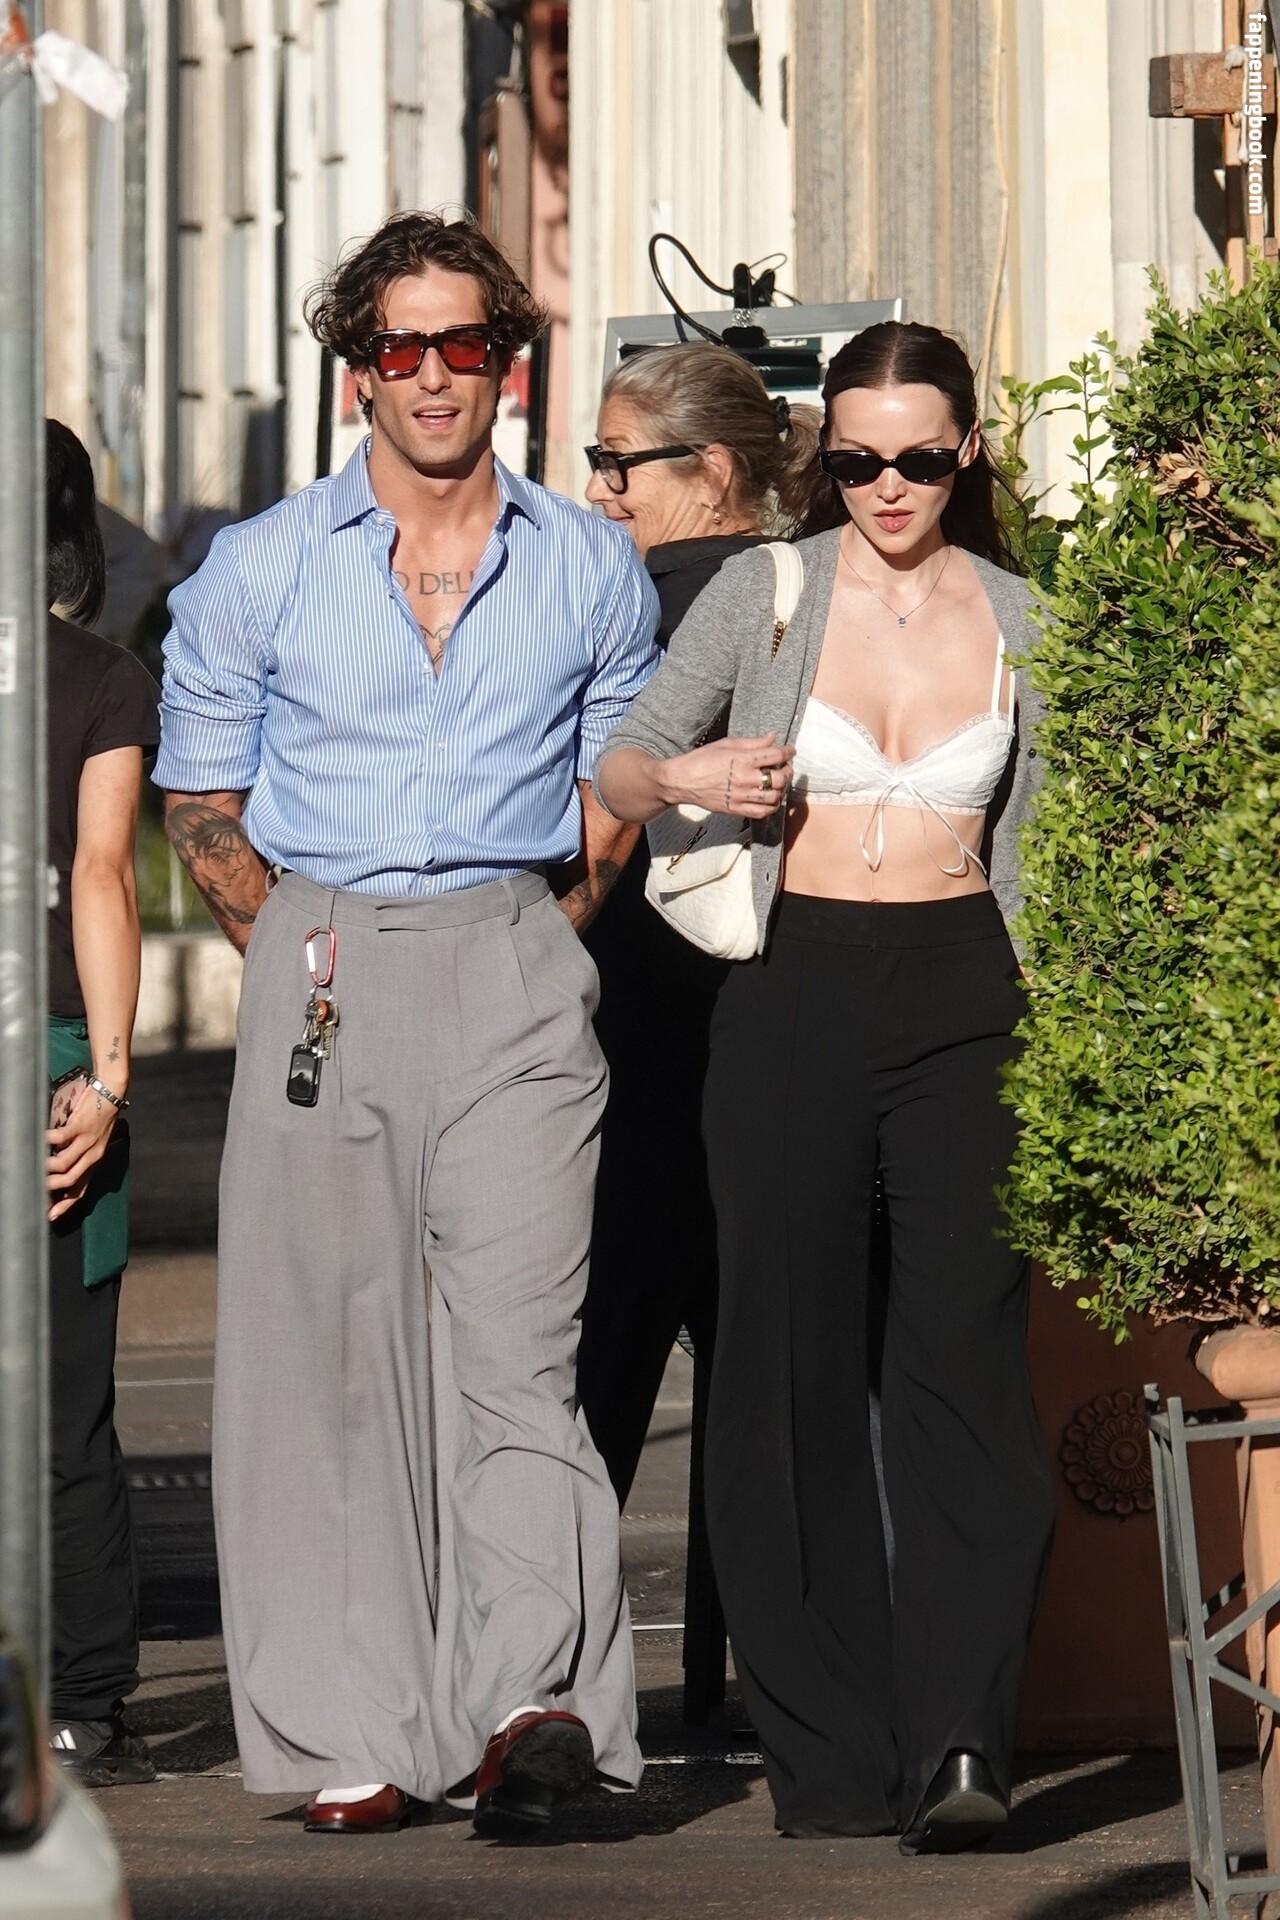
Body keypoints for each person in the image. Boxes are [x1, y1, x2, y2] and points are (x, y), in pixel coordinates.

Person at [154, 211, 659, 1839]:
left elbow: (609, 793)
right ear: (356, 372)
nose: (435, 376)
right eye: (402, 347)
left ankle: (531, 1709)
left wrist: (538, 946)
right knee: (327, 1358)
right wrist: (306, 957)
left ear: (508, 366)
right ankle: (350, 1726)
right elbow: (202, 804)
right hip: (324, 955)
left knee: (522, 1353)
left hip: (515, 954)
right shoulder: (262, 567)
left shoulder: (586, 564)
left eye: (466, 345)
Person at [596, 321, 1055, 1852]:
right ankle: (833, 1754)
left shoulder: (1030, 623)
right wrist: (691, 778)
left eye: (919, 456)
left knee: (963, 1366)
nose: (888, 486)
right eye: (856, 458)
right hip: (791, 993)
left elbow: (1051, 854)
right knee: (784, 1368)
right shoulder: (767, 594)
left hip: (969, 1001)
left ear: (967, 452)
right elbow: (623, 764)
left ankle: (965, 1741)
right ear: (824, 458)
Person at [577, 344, 824, 1505]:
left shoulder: (639, 616)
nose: (598, 488)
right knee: (765, 1396)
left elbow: (584, 830)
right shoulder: (821, 599)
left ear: (713, 468)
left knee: (596, 1378)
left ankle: (554, 1615)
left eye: (618, 461)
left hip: (635, 1030)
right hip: (781, 1022)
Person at [42, 420, 161, 1787]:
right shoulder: (103, 679)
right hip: (55, 1064)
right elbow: (103, 877)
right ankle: (86, 1701)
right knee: (68, 1410)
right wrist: (111, 1080)